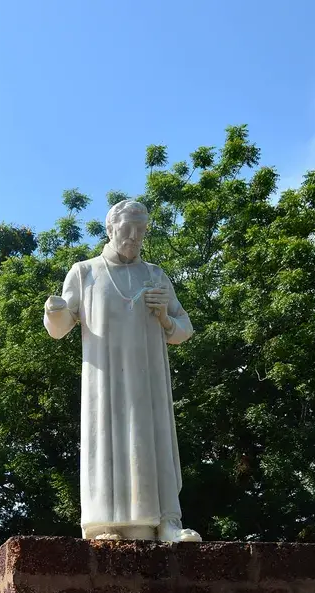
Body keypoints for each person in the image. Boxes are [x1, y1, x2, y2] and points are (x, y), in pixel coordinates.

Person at [44, 199, 201, 543]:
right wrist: (55, 310)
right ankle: (103, 524)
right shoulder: (84, 272)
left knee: (152, 438)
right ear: (111, 228)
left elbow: (184, 328)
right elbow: (60, 326)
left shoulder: (155, 274)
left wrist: (164, 317)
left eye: (140, 230)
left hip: (148, 378)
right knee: (106, 439)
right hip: (106, 379)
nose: (133, 236)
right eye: (127, 229)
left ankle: (167, 522)